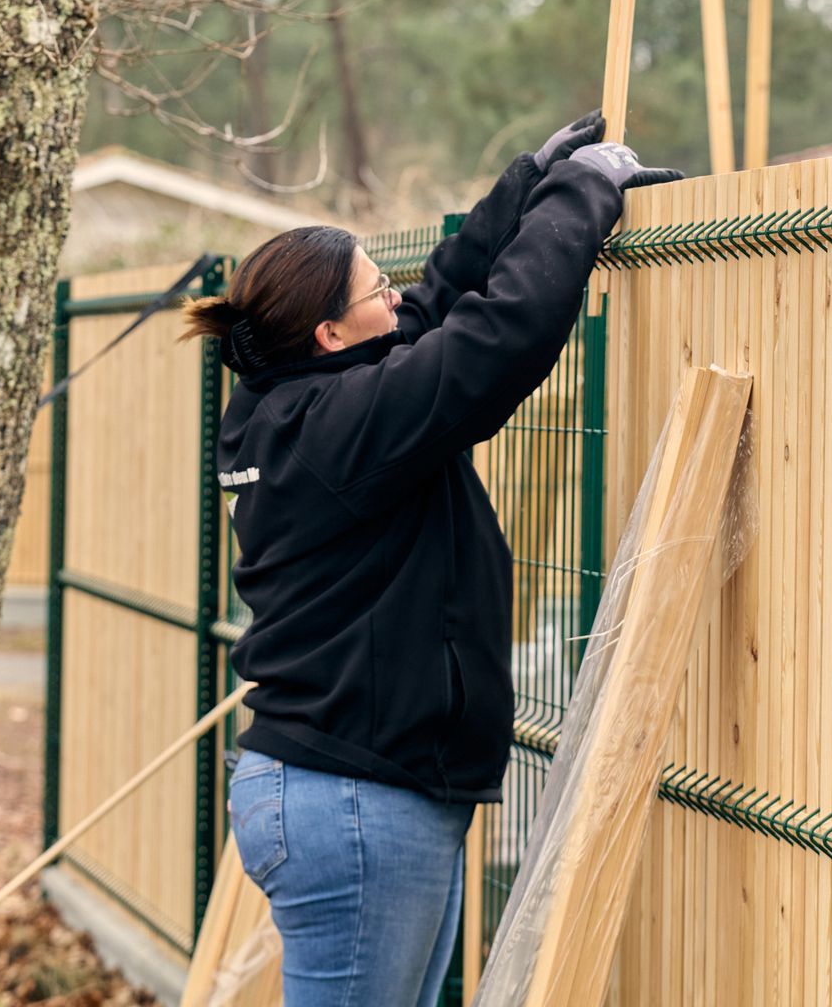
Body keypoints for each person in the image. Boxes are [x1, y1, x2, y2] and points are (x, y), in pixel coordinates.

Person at [179, 112, 683, 1006]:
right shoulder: (337, 429)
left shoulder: (287, 405)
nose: (396, 297)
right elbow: (489, 346)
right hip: (356, 803)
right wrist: (582, 197)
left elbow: (427, 321)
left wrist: (526, 184)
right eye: (376, 287)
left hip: (350, 792)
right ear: (330, 337)